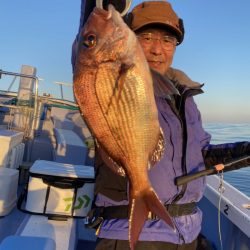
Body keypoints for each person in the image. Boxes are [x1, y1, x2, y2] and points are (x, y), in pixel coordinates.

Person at [72, 1, 250, 249]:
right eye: (146, 37)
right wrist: (103, 5)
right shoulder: (108, 72)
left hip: (187, 233)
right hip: (129, 234)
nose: (157, 49)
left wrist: (246, 152)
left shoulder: (185, 99)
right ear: (130, 36)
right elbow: (88, 39)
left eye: (168, 40)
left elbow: (201, 157)